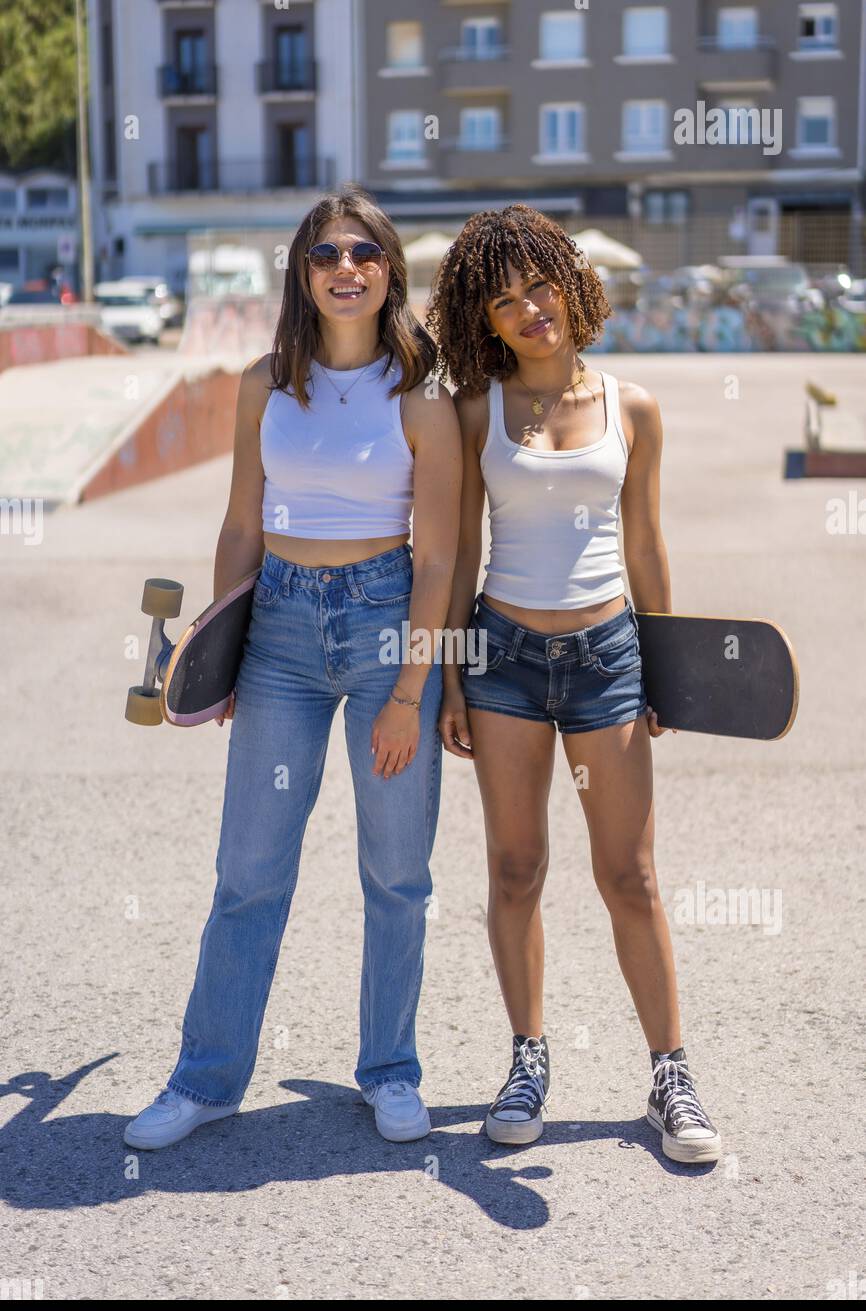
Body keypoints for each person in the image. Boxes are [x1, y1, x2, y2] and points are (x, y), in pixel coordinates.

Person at [125, 187, 461, 1150]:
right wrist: (216, 650)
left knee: (397, 872)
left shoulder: (422, 398)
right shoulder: (263, 383)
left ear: (389, 269)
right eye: (325, 254)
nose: (345, 268)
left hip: (386, 626)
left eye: (363, 252)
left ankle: (390, 1069)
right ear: (302, 274)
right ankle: (207, 1080)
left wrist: (409, 695)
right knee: (249, 870)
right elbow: (241, 519)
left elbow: (436, 557)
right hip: (277, 632)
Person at [429, 204, 721, 1163]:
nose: (528, 310)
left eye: (539, 286)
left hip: (607, 659)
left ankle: (670, 1074)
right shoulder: (477, 409)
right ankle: (527, 1059)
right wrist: (457, 680)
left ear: (569, 281)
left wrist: (668, 670)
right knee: (516, 871)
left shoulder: (633, 407)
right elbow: (462, 549)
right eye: (505, 300)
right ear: (487, 317)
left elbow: (644, 543)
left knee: (629, 877)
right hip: (506, 658)